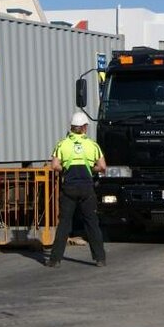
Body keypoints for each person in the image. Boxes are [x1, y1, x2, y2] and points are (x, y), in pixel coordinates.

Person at [46, 111, 107, 268]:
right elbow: (102, 167)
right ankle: (100, 258)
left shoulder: (62, 144)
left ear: (72, 128)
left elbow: (54, 166)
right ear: (85, 128)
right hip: (87, 189)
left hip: (69, 188)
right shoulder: (93, 145)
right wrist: (90, 168)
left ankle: (55, 260)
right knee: (92, 222)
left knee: (64, 223)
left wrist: (66, 168)